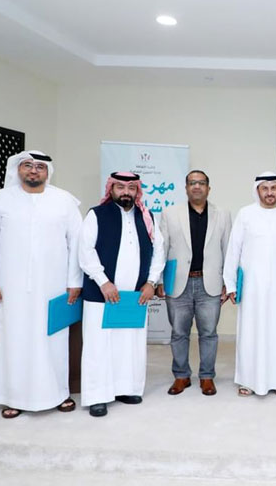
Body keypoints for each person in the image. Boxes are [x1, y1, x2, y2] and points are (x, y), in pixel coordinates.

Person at [0, 150, 82, 419]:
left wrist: (74, 281)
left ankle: (58, 393)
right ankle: (13, 397)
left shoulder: (64, 200)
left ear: (48, 172)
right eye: (27, 165)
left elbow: (76, 243)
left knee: (54, 340)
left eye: (39, 167)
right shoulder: (0, 199)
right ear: (18, 169)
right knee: (13, 340)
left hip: (54, 286)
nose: (34, 170)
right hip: (10, 288)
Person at [78, 171, 165, 417]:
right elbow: (85, 251)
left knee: (130, 344)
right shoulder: (96, 214)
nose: (126, 192)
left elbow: (159, 251)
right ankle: (97, 396)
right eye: (120, 187)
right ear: (111, 189)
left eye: (131, 188)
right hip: (102, 294)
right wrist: (104, 282)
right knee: (99, 346)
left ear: (137, 191)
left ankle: (127, 389)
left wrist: (151, 282)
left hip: (135, 296)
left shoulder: (147, 217)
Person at [223, 172, 276, 397]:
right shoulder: (246, 214)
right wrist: (230, 285)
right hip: (251, 288)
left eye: (273, 188)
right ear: (257, 190)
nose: (269, 193)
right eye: (265, 188)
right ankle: (248, 380)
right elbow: (233, 250)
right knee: (250, 333)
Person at [157, 170, 231, 396]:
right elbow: (161, 249)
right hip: (178, 283)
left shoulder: (223, 214)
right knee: (179, 332)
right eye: (192, 183)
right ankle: (181, 375)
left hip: (210, 283)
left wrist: (228, 282)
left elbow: (228, 250)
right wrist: (158, 280)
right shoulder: (170, 213)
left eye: (201, 183)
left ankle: (207, 377)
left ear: (209, 188)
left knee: (209, 332)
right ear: (186, 188)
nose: (197, 186)